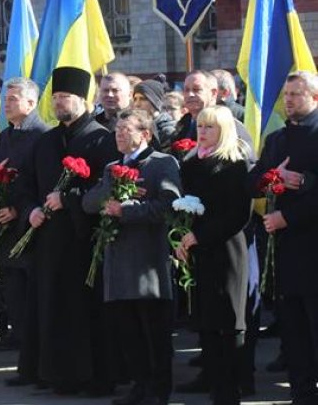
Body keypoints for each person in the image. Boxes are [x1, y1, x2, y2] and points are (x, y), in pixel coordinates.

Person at [14, 66, 120, 396]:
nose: (60, 103)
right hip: (48, 241)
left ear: (84, 99)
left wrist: (68, 199)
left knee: (85, 310)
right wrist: (31, 209)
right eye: (56, 97)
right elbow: (24, 184)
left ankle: (93, 377)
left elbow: (108, 187)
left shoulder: (101, 139)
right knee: (51, 307)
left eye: (67, 97)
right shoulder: (45, 141)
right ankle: (56, 373)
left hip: (84, 241)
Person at [83, 109, 182, 405]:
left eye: (126, 130)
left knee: (155, 332)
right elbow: (90, 203)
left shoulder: (162, 163)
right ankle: (139, 385)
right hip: (118, 263)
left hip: (148, 262)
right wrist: (106, 197)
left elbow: (168, 205)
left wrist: (126, 211)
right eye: (117, 130)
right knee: (128, 332)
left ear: (146, 134)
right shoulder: (113, 167)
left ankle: (159, 389)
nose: (119, 134)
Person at [249, 72, 318, 405]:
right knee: (294, 335)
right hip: (284, 254)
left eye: (297, 93)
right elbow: (256, 181)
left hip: (312, 247)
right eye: (286, 93)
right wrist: (275, 178)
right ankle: (302, 396)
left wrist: (289, 212)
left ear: (314, 97)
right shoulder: (275, 139)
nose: (289, 99)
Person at [176, 105, 252, 405]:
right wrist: (181, 235)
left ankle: (231, 390)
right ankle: (214, 385)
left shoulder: (235, 165)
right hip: (198, 252)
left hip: (227, 252)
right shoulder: (191, 163)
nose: (202, 132)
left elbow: (238, 215)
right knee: (206, 321)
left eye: (209, 127)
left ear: (224, 131)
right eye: (200, 126)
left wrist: (200, 235)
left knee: (228, 321)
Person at [0, 78, 49, 387]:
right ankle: (26, 367)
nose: (7, 102)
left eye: (14, 98)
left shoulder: (42, 136)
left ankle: (40, 367)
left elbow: (44, 182)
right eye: (6, 97)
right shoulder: (5, 137)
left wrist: (18, 210)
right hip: (8, 233)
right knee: (16, 302)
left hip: (32, 231)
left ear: (31, 102)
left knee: (33, 303)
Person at [131, 80, 177, 151]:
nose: (137, 104)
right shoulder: (134, 127)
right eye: (135, 99)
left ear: (155, 101)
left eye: (143, 99)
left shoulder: (168, 131)